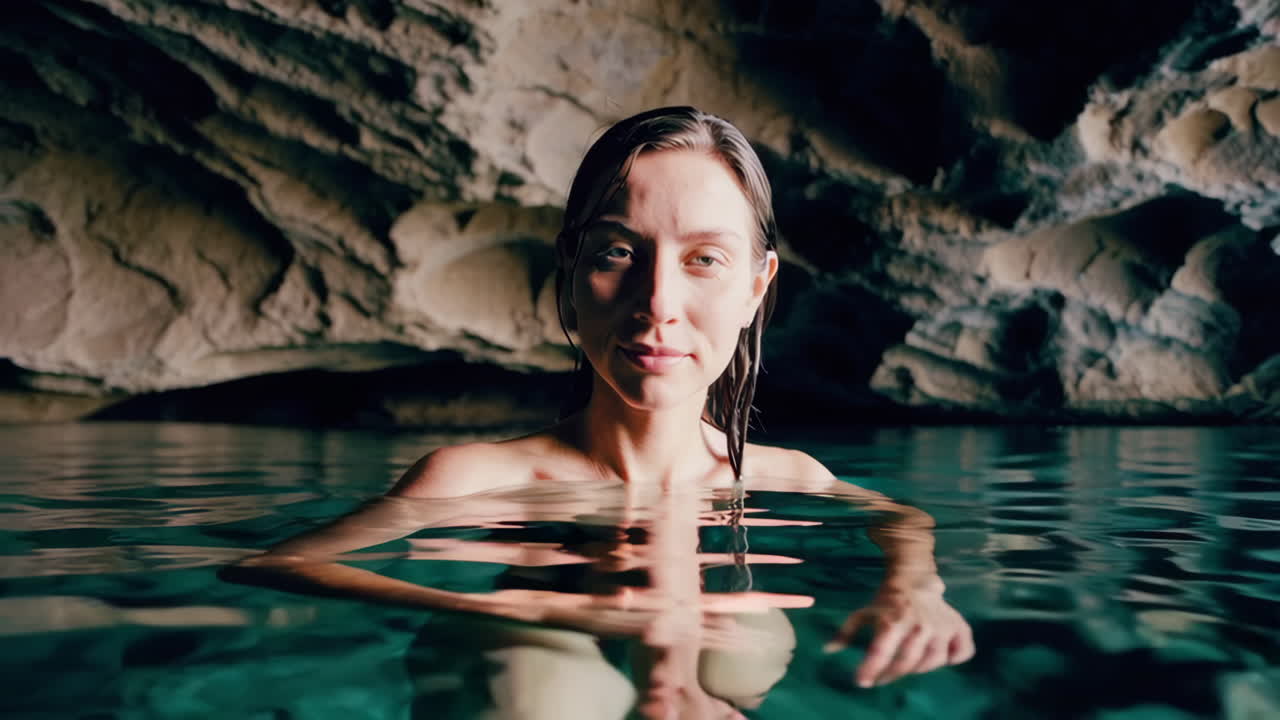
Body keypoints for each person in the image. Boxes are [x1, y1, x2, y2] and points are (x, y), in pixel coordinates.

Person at [224, 106, 974, 718]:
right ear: (573, 271)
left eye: (704, 259)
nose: (658, 305)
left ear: (755, 286)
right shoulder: (472, 478)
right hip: (525, 676)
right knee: (538, 678)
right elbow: (276, 564)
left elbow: (900, 517)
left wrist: (916, 587)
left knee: (743, 634)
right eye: (619, 252)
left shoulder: (790, 476)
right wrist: (533, 615)